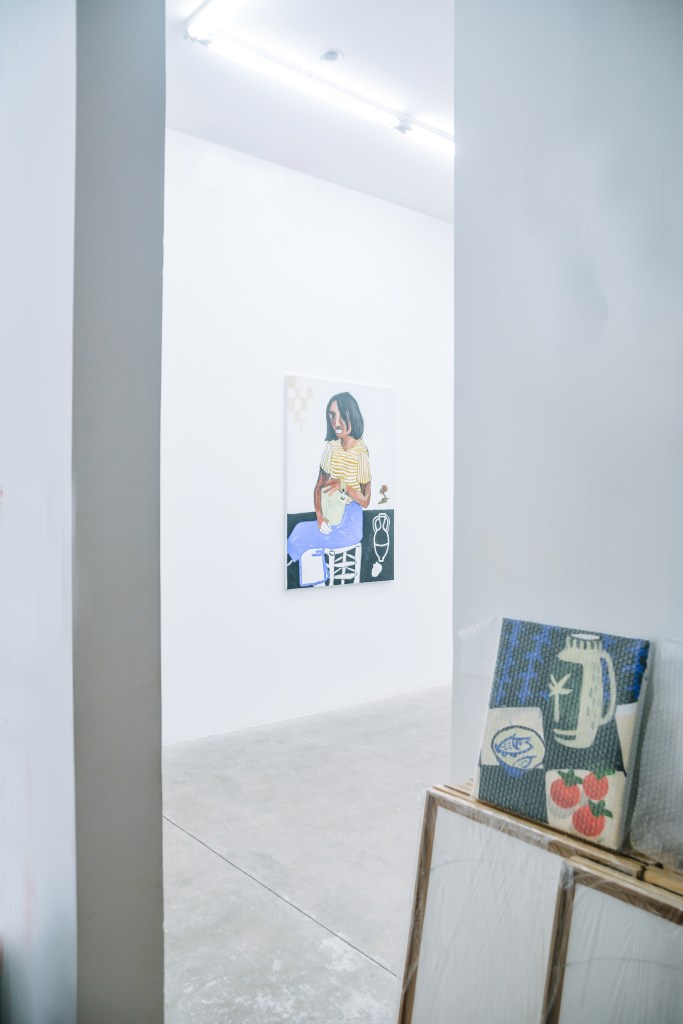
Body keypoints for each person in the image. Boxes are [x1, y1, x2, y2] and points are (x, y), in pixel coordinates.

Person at [287, 392, 371, 586]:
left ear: (352, 415)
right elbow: (319, 486)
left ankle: (311, 581)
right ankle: (317, 585)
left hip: (350, 523)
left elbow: (366, 500)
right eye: (332, 415)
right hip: (330, 515)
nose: (336, 422)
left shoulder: (361, 452)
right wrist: (319, 515)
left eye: (342, 415)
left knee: (301, 533)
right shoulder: (331, 448)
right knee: (305, 535)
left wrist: (342, 485)